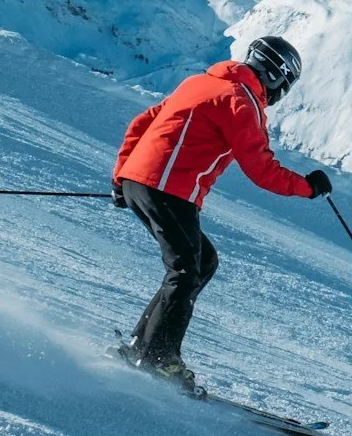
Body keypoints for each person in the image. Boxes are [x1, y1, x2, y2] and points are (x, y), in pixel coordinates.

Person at [111, 35, 331, 394]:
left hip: (144, 183)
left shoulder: (199, 82)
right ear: (277, 77)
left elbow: (141, 123)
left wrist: (122, 178)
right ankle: (159, 358)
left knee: (203, 261)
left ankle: (142, 346)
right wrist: (308, 187)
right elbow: (261, 169)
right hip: (168, 189)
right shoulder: (240, 102)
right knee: (185, 270)